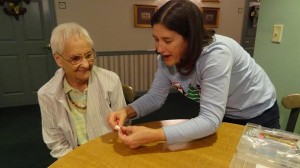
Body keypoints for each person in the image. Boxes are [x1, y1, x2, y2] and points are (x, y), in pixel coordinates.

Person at [107, 0, 280, 149]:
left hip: (259, 113)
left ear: (191, 38)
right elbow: (155, 97)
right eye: (156, 39)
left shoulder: (216, 55)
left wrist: (153, 135)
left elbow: (210, 120)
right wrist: (126, 111)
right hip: (226, 112)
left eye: (167, 40)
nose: (159, 48)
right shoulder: (165, 59)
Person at [38, 22, 126, 158]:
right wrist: (79, 162)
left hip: (111, 150)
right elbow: (56, 142)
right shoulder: (46, 94)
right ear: (58, 59)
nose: (85, 64)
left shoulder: (111, 80)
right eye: (75, 58)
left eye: (89, 55)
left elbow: (123, 124)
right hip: (74, 156)